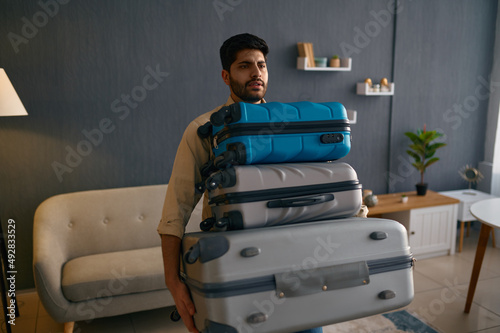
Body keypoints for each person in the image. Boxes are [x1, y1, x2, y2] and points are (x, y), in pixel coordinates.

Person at [158, 33, 323, 333]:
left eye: (261, 65)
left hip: (293, 257)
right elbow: (175, 210)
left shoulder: (291, 125)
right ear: (226, 75)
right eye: (245, 66)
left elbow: (319, 186)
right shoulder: (203, 130)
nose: (256, 73)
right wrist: (173, 282)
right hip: (235, 264)